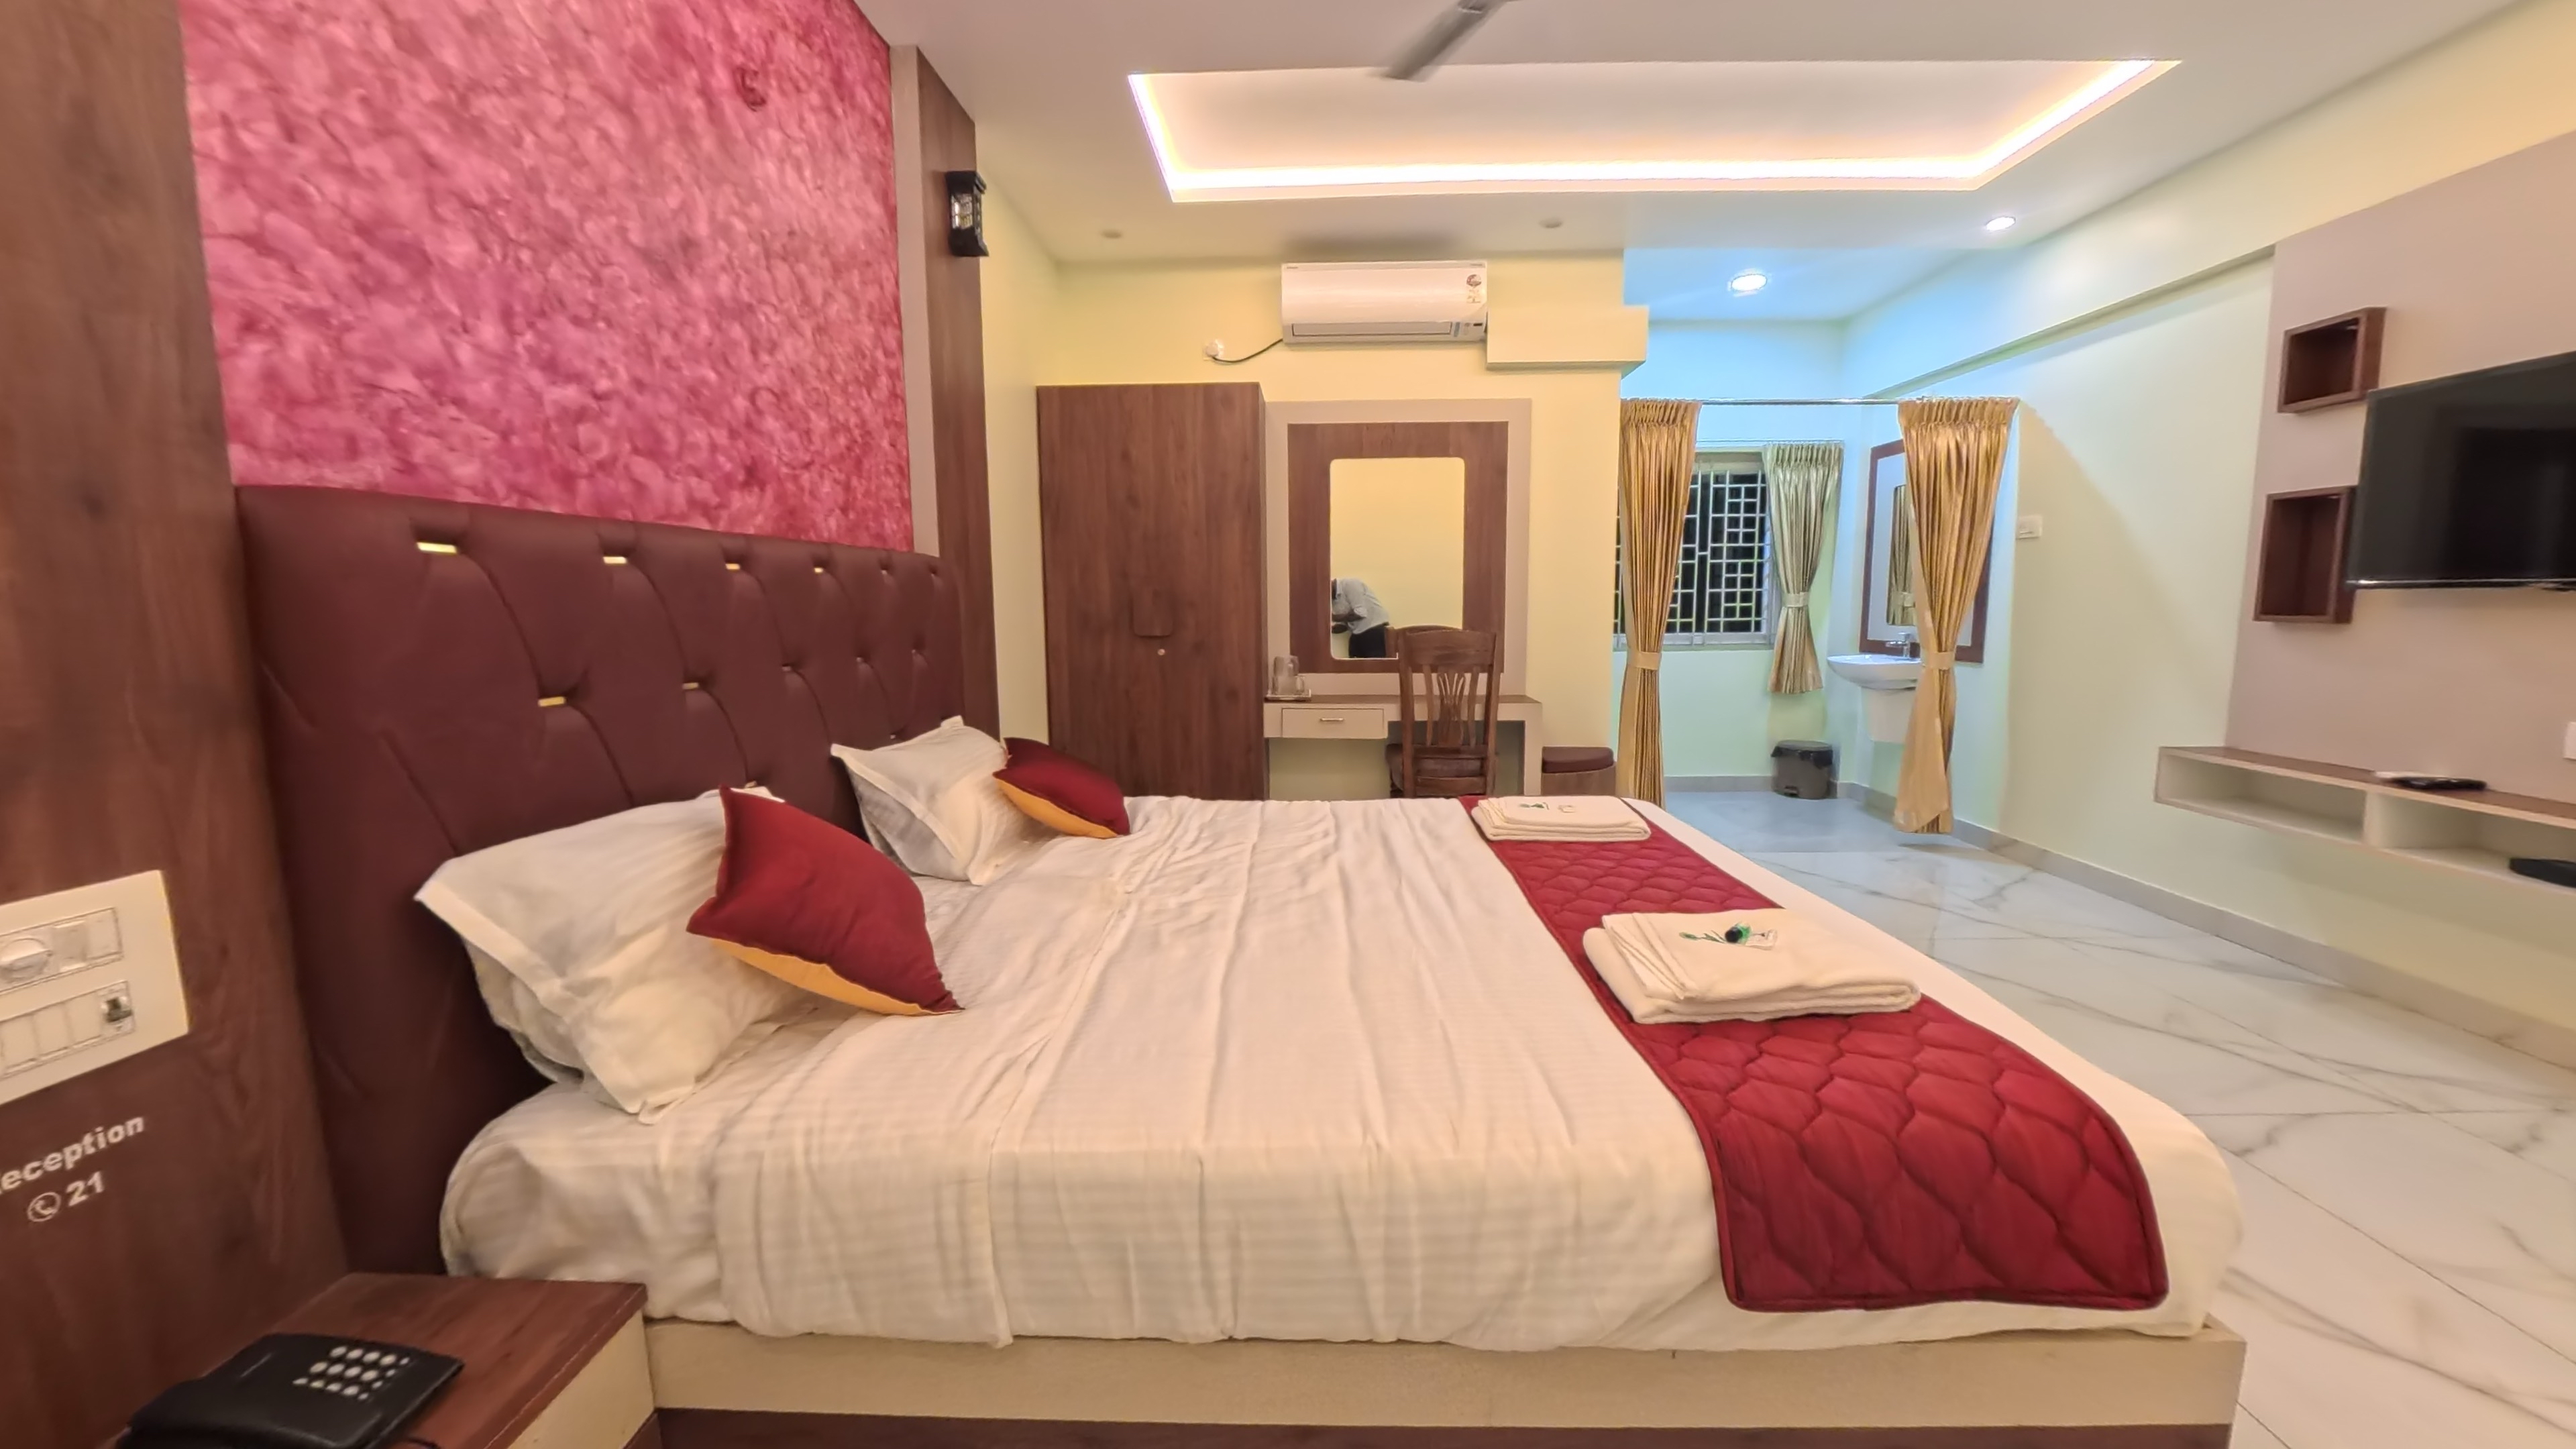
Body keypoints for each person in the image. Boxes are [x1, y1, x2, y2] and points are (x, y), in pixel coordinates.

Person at [1330, 577, 1390, 657]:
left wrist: (1331, 617)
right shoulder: (1332, 599)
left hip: (1375, 630)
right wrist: (1325, 629)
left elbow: (1360, 613)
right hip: (1357, 634)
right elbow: (1344, 625)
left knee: (1376, 665)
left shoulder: (1350, 584)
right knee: (1355, 665)